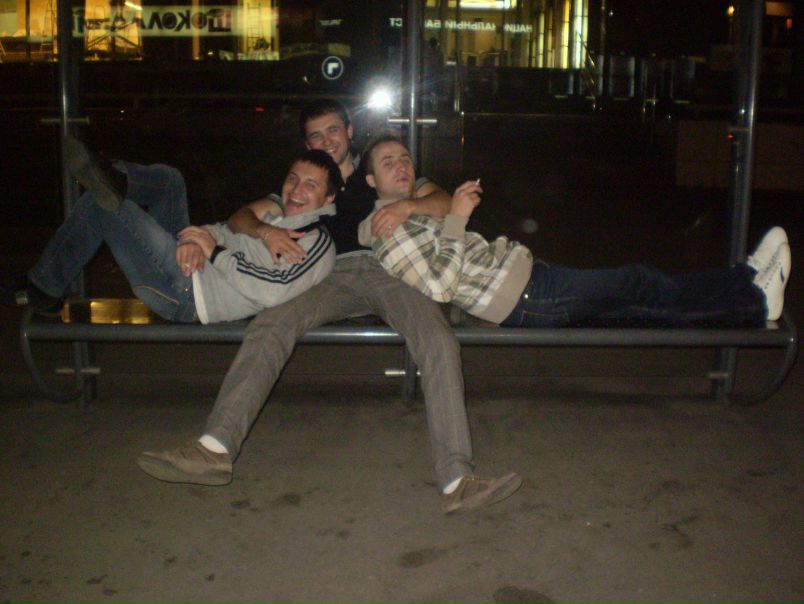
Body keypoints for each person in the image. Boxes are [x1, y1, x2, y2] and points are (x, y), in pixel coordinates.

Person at [137, 99, 523, 515]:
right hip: (325, 273)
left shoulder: (379, 166)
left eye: (333, 130)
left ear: (349, 131)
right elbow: (240, 217)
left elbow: (444, 200)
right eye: (316, 135)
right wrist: (266, 231)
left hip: (391, 270)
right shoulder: (309, 179)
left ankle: (457, 480)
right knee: (270, 326)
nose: (326, 141)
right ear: (307, 143)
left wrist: (408, 205)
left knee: (437, 338)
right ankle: (214, 449)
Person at [358, 134, 791, 328]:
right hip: (524, 297)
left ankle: (751, 303)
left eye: (405, 158)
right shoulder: (386, 231)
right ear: (372, 181)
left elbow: (435, 201)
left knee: (642, 308)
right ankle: (749, 284)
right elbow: (439, 287)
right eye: (388, 162)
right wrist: (455, 218)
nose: (401, 165)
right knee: (638, 282)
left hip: (526, 282)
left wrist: (438, 209)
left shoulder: (411, 208)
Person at [14, 138, 340, 324]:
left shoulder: (316, 242)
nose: (296, 189)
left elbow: (272, 291)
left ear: (328, 198)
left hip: (187, 293)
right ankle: (115, 178)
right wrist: (196, 238)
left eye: (310, 185)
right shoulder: (277, 215)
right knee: (169, 181)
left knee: (104, 206)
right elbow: (227, 228)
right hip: (195, 264)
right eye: (293, 179)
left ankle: (44, 287)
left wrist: (214, 251)